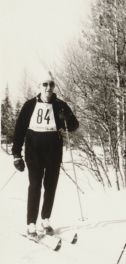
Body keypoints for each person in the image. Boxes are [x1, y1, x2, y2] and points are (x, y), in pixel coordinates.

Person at [12, 70, 79, 240]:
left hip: (53, 153)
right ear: (39, 87)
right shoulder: (29, 106)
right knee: (35, 186)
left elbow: (73, 126)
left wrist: (68, 117)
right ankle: (31, 223)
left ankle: (45, 219)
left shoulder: (60, 105)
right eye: (45, 84)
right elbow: (19, 130)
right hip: (34, 152)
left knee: (50, 186)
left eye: (51, 84)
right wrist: (16, 155)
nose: (48, 87)